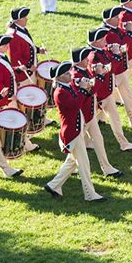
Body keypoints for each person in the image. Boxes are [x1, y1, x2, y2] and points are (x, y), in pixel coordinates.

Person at [44, 61, 106, 201]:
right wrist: (83, 89)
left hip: (76, 129)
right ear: (59, 77)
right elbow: (76, 104)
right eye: (66, 73)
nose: (70, 75)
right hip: (72, 132)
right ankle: (89, 194)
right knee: (83, 164)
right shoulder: (60, 92)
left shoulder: (67, 87)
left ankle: (53, 185)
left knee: (72, 162)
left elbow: (81, 99)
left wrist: (87, 87)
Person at [70, 46, 122, 177]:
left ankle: (107, 168)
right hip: (82, 117)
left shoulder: (83, 71)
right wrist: (99, 75)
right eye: (85, 58)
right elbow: (92, 90)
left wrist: (99, 74)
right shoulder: (76, 76)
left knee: (98, 139)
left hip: (90, 114)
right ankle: (67, 170)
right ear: (79, 61)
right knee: (76, 146)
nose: (88, 60)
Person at [88, 27, 132, 151]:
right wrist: (115, 55)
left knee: (115, 119)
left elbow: (111, 68)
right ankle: (75, 150)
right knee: (86, 124)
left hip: (107, 93)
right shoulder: (94, 57)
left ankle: (124, 143)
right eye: (102, 39)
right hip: (99, 96)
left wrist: (116, 54)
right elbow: (109, 71)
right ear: (95, 42)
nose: (105, 40)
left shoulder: (101, 52)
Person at [0, 34, 39, 153]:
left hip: (9, 98)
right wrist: (10, 96)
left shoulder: (1, 57)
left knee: (15, 122)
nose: (7, 46)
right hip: (6, 101)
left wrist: (18, 68)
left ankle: (27, 145)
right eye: (5, 45)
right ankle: (27, 146)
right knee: (16, 122)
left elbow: (9, 70)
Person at [6, 7, 48, 86]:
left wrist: (38, 50)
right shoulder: (13, 35)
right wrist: (28, 66)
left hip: (30, 70)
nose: (27, 19)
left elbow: (27, 46)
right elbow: (15, 58)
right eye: (24, 17)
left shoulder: (21, 29)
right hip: (24, 74)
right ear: (18, 20)